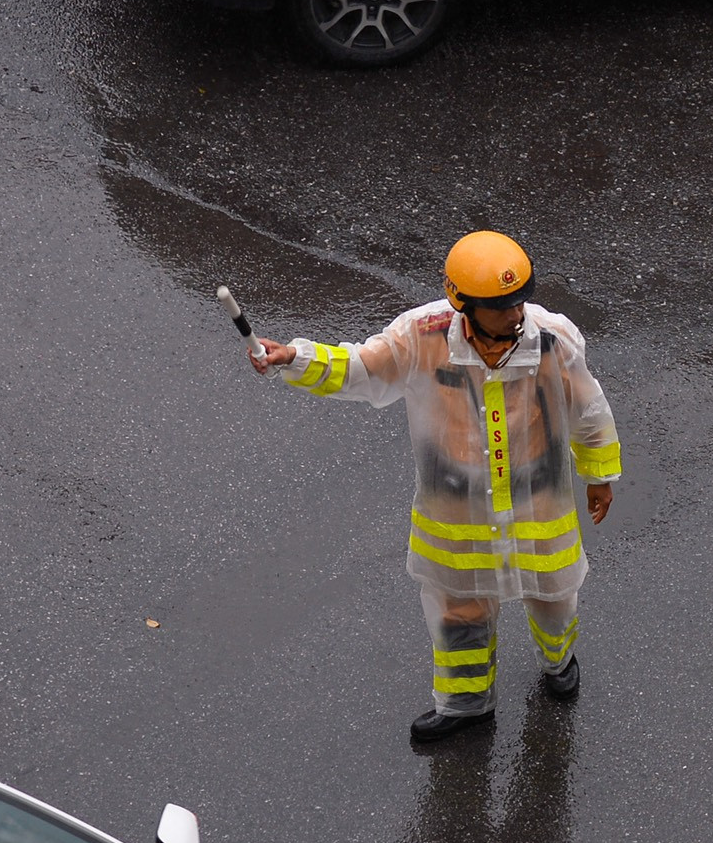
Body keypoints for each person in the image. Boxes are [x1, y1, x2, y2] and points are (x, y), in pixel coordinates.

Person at [250, 231, 623, 741]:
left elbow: (589, 409)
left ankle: (559, 663)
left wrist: (599, 476)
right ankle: (467, 705)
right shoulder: (421, 336)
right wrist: (295, 357)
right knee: (459, 613)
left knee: (554, 599)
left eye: (520, 300)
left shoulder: (554, 339)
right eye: (501, 306)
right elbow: (361, 368)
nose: (516, 314)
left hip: (538, 505)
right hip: (455, 515)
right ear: (463, 305)